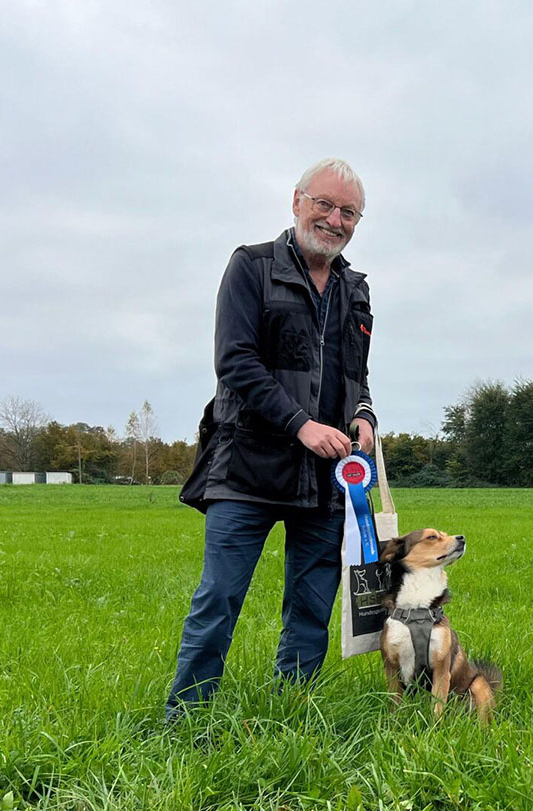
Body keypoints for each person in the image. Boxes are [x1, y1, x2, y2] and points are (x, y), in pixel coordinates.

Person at [167, 157, 377, 720]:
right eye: (324, 204)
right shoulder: (251, 267)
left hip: (324, 480)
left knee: (311, 608)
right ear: (297, 201)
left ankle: (291, 715)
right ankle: (185, 718)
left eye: (349, 212)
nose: (334, 220)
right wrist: (301, 424)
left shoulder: (356, 291)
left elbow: (357, 377)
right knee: (219, 598)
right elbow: (235, 362)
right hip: (247, 468)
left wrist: (364, 417)